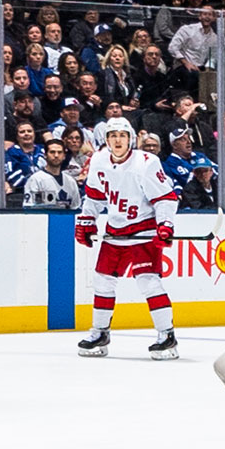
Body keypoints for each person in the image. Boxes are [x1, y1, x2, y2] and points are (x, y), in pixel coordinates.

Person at [74, 116, 178, 358]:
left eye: (122, 135)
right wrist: (87, 220)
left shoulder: (146, 163)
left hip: (143, 231)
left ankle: (167, 336)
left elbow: (165, 198)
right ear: (106, 140)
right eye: (113, 136)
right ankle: (100, 333)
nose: (117, 140)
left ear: (131, 139)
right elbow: (94, 196)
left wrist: (165, 225)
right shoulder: (98, 160)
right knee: (102, 281)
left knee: (148, 282)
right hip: (115, 231)